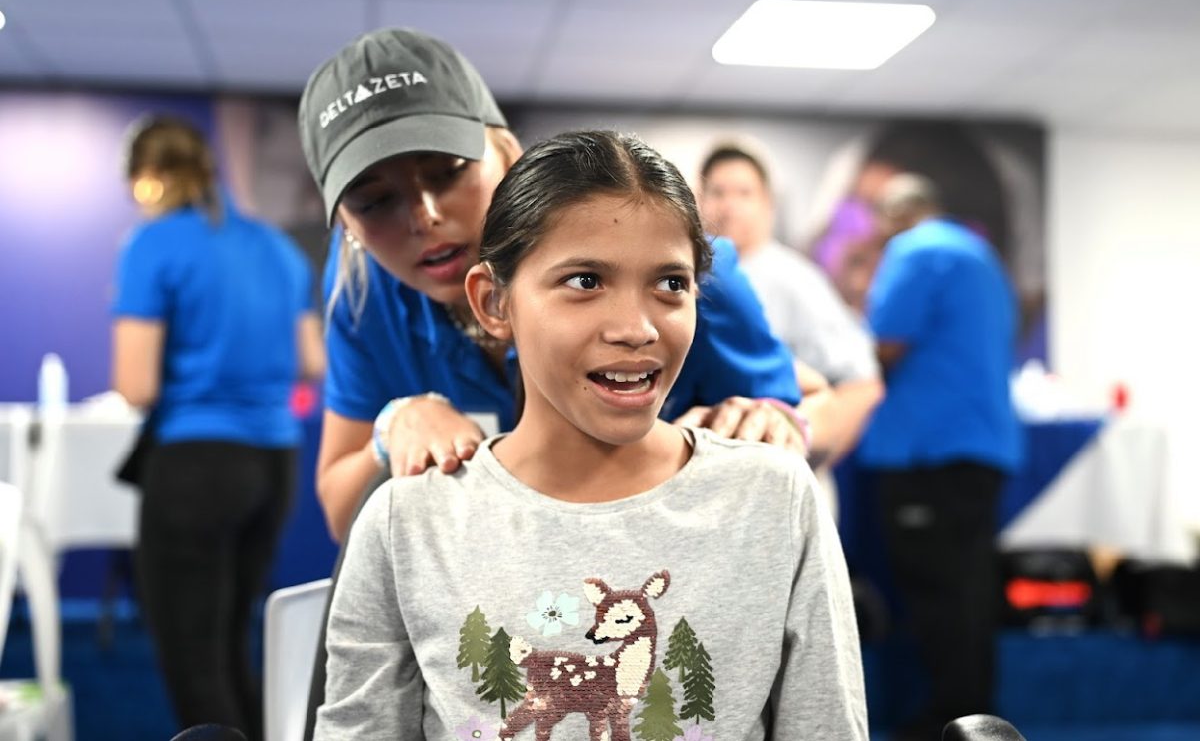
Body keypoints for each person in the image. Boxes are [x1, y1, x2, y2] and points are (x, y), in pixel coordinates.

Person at [313, 130, 867, 740]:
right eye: (584, 281)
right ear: (494, 301)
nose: (636, 328)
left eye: (670, 284)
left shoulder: (775, 499)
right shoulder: (407, 522)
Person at [297, 27, 808, 545]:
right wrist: (392, 429)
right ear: (345, 221)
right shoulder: (362, 290)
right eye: (374, 201)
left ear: (506, 151)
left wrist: (769, 420)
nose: (424, 216)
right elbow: (344, 519)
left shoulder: (688, 272)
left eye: (449, 171)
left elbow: (807, 412)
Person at [110, 115, 325, 740]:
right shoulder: (277, 247)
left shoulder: (152, 245)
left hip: (194, 466)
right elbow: (311, 362)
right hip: (273, 464)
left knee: (191, 652)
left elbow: (137, 384)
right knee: (233, 637)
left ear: (147, 181)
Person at [859, 173, 1020, 741]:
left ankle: (944, 721)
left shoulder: (916, 250)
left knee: (936, 594)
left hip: (929, 452)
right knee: (970, 591)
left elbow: (880, 346)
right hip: (983, 449)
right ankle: (979, 721)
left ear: (893, 218)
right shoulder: (980, 255)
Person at [698, 143, 884, 470]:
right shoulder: (690, 278)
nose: (729, 206)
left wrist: (806, 457)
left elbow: (863, 387)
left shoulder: (794, 279)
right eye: (718, 192)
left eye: (744, 193)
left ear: (768, 204)